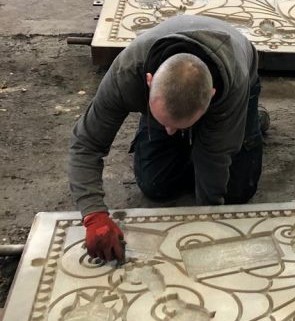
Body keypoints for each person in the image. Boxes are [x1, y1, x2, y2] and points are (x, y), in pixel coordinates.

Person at [69, 15, 267, 264]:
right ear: (149, 82)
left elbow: (215, 156)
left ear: (212, 96)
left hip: (238, 85)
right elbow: (86, 143)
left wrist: (208, 220)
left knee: (236, 192)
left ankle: (252, 120)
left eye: (177, 125)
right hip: (172, 98)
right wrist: (93, 215)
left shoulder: (230, 84)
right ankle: (180, 123)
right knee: (155, 185)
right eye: (165, 122)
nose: (169, 131)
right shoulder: (126, 75)